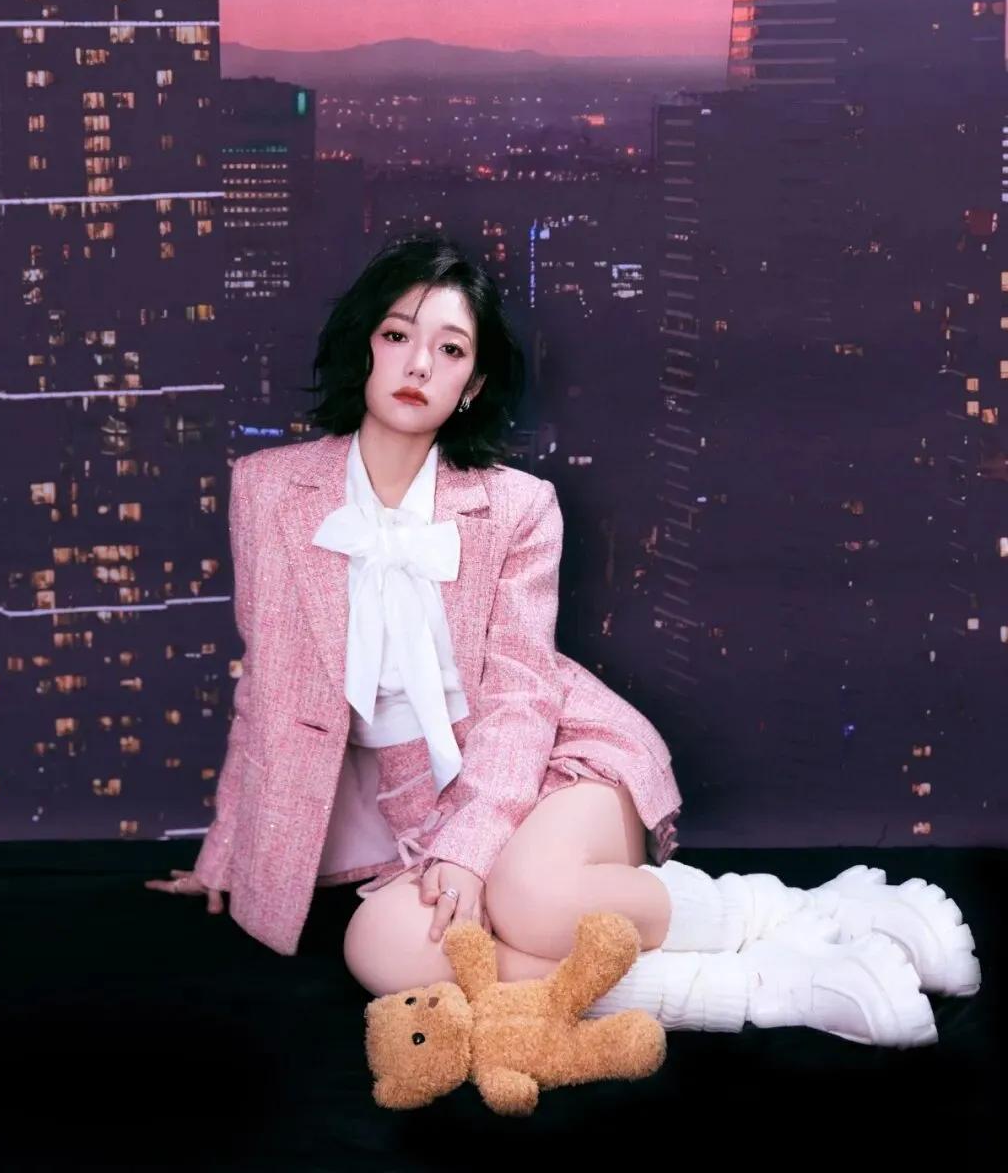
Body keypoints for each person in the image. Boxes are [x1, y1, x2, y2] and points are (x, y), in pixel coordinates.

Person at [148, 234, 979, 1047]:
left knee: (533, 900)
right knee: (383, 951)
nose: (419, 365)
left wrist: (471, 848)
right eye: (398, 335)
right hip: (410, 810)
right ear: (363, 344)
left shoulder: (518, 505)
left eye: (450, 349)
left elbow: (519, 697)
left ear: (472, 384)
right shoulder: (269, 491)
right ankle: (766, 987)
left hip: (548, 759)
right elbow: (267, 688)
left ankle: (790, 913)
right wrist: (228, 857)